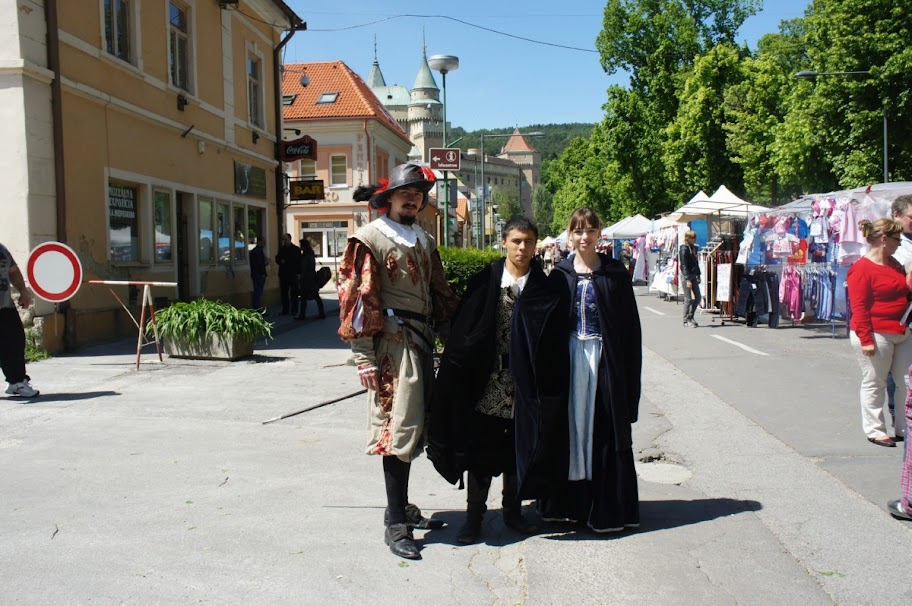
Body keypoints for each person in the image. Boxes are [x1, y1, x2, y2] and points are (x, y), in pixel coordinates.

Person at [337, 163, 459, 560]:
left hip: (421, 343)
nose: (413, 198)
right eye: (406, 192)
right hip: (392, 346)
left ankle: (402, 506)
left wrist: (455, 335)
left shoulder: (422, 239)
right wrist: (364, 358)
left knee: (418, 429)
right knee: (397, 431)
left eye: (419, 193)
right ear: (389, 197)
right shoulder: (370, 238)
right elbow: (357, 300)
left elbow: (438, 291)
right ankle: (395, 523)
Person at [428, 217, 568, 545]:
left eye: (529, 242)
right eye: (517, 241)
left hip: (526, 387)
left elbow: (555, 342)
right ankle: (474, 519)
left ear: (536, 246)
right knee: (479, 453)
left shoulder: (545, 287)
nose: (522, 248)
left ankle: (513, 512)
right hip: (487, 384)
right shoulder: (485, 281)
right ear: (505, 241)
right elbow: (466, 333)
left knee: (518, 450)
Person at [539, 207, 642, 533]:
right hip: (569, 359)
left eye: (590, 230)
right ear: (570, 234)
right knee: (571, 429)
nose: (584, 237)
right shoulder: (560, 275)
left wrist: (629, 383)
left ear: (599, 234)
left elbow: (630, 330)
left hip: (605, 359)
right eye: (578, 230)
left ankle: (606, 507)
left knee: (603, 429)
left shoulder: (614, 274)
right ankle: (569, 507)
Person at [847, 218, 912, 448]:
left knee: (907, 382)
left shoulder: (894, 263)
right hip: (876, 333)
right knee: (876, 381)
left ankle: (905, 427)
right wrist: (866, 340)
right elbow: (860, 308)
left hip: (901, 331)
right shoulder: (861, 269)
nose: (899, 245)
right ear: (884, 240)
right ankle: (875, 429)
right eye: (897, 240)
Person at [1, 242, 39, 398]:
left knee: (15, 343)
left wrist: (23, 291)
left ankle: (16, 383)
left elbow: (13, 271)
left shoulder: (1, 249)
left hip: (5, 307)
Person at [296, 239, 325, 320]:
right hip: (311, 278)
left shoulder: (306, 256)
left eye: (301, 245)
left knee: (306, 298)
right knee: (312, 297)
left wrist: (301, 277)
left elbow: (304, 268)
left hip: (307, 280)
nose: (300, 247)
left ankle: (302, 315)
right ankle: (321, 313)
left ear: (304, 246)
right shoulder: (310, 254)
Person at [275, 233, 301, 316]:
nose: (284, 241)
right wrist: (280, 261)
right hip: (283, 274)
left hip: (293, 274)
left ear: (290, 239)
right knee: (284, 293)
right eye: (283, 240)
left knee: (294, 293)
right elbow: (277, 258)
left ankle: (294, 310)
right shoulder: (282, 249)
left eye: (285, 239)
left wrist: (299, 273)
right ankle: (285, 309)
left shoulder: (296, 249)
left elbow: (299, 262)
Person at [679, 230, 701, 327]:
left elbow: (695, 263)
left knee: (698, 297)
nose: (695, 239)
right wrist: (687, 279)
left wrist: (698, 274)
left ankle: (691, 316)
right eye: (693, 238)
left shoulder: (693, 248)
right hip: (686, 275)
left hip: (693, 275)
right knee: (688, 298)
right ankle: (686, 320)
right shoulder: (684, 249)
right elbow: (684, 265)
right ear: (688, 238)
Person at [249, 236, 267, 311]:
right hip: (259, 274)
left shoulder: (256, 251)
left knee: (258, 292)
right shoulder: (257, 251)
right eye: (263, 242)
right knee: (258, 292)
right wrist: (265, 263)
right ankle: (257, 308)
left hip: (256, 274)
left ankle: (257, 308)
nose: (264, 243)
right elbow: (259, 264)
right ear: (259, 242)